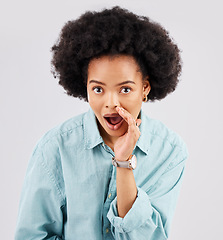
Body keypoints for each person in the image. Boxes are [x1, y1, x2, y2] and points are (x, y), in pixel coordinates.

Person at [14, 6, 189, 240]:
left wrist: (124, 162)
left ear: (145, 88)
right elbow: (32, 236)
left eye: (125, 89)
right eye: (98, 89)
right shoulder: (55, 147)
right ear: (85, 87)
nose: (111, 103)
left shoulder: (170, 151)